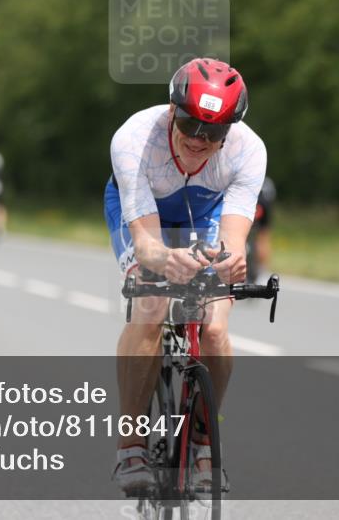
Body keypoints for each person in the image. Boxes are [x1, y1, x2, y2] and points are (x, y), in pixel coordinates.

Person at [105, 57, 266, 492]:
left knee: (214, 326)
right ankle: (131, 447)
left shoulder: (249, 151)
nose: (199, 139)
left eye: (213, 132)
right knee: (151, 302)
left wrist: (230, 262)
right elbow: (147, 244)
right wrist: (162, 260)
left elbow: (233, 238)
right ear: (172, 111)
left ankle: (202, 443)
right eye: (190, 124)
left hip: (205, 208)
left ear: (229, 130)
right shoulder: (134, 139)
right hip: (143, 209)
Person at [247, 177, 276, 283]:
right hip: (264, 205)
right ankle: (262, 272)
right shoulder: (267, 182)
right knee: (263, 236)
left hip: (249, 203)